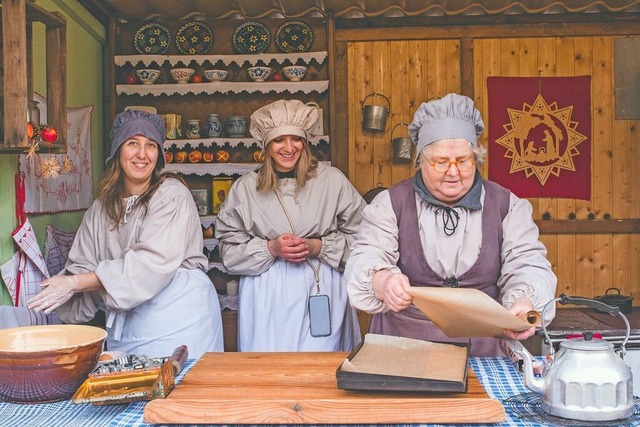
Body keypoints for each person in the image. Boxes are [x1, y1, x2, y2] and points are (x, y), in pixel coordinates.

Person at [345, 93, 557, 357]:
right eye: (441, 162)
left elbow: (527, 262)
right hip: (403, 345)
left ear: (475, 159)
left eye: (463, 161)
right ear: (421, 162)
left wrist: (525, 303)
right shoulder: (390, 203)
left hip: (482, 347)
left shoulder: (506, 205)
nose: (453, 171)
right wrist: (383, 281)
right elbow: (366, 255)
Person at [28, 109, 224, 358]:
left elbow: (149, 265)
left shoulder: (172, 195)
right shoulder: (100, 209)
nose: (142, 154)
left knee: (181, 390)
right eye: (133, 143)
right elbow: (82, 265)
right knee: (134, 390)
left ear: (159, 155)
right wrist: (61, 287)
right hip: (130, 326)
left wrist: (75, 283)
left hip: (181, 317)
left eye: (151, 145)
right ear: (118, 150)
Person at [215, 99, 366, 352]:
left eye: (295, 139)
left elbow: (364, 238)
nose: (288, 148)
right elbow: (229, 251)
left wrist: (319, 247)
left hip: (322, 287)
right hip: (267, 293)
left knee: (321, 369)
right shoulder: (246, 189)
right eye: (278, 140)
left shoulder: (332, 181)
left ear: (305, 142)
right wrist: (270, 248)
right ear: (266, 145)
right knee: (270, 367)